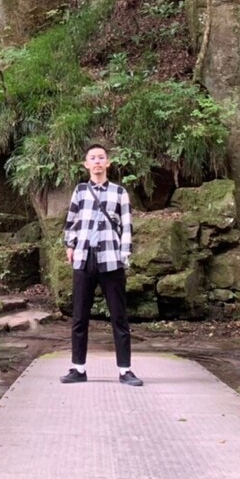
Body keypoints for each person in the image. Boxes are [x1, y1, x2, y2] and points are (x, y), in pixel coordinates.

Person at [60, 143, 143, 387]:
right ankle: (78, 368)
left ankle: (125, 370)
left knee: (119, 316)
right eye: (93, 158)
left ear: (108, 163)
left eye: (101, 158)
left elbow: (127, 225)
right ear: (86, 164)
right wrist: (70, 245)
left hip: (111, 259)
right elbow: (71, 221)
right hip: (84, 258)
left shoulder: (119, 192)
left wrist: (124, 254)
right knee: (79, 316)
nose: (97, 162)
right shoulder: (80, 191)